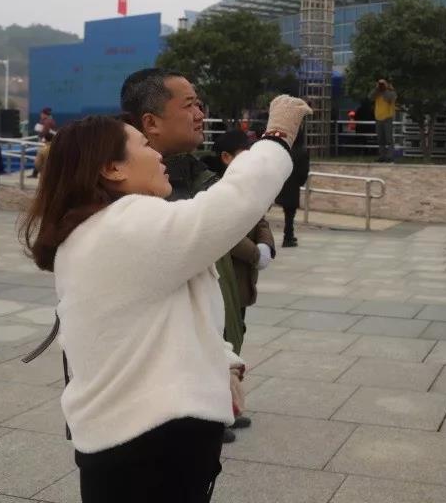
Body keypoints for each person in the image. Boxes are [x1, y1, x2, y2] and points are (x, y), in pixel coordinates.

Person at [20, 96, 309, 502]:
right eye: (143, 145)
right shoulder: (124, 226)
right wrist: (277, 136)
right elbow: (230, 205)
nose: (157, 155)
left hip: (134, 442)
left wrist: (223, 363)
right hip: (149, 446)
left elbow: (171, 316)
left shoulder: (103, 229)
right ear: (112, 168)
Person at [119, 67, 256, 442]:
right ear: (151, 122)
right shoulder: (136, 202)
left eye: (200, 105)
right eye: (190, 105)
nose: (200, 114)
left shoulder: (198, 177)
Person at [203, 128, 276, 355]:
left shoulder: (246, 185)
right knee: (226, 339)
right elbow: (224, 229)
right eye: (244, 155)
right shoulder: (215, 188)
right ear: (226, 157)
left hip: (244, 277)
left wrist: (265, 245)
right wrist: (255, 254)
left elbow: (259, 217)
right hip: (226, 277)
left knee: (238, 331)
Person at [275, 129, 310, 248]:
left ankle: (289, 234)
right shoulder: (302, 152)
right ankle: (288, 236)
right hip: (293, 185)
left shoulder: (285, 150)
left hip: (283, 182)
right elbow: (304, 171)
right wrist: (301, 182)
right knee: (290, 213)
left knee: (288, 211)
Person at [370, 78, 397, 162]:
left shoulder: (391, 93)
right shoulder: (377, 92)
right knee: (380, 139)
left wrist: (386, 89)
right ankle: (382, 156)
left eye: (382, 84)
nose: (381, 86)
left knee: (389, 138)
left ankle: (390, 157)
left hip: (387, 117)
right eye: (380, 84)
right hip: (378, 117)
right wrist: (376, 89)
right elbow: (370, 97)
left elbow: (389, 98)